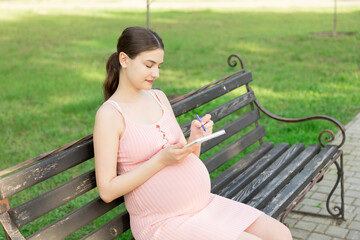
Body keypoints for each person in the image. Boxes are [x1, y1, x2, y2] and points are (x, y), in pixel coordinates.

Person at [93, 26, 293, 240]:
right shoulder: (110, 115)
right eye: (149, 65)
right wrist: (160, 160)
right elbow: (107, 191)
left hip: (203, 206)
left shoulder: (158, 98)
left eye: (159, 66)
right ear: (124, 59)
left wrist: (195, 140)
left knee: (280, 234)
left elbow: (186, 155)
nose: (156, 74)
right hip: (163, 222)